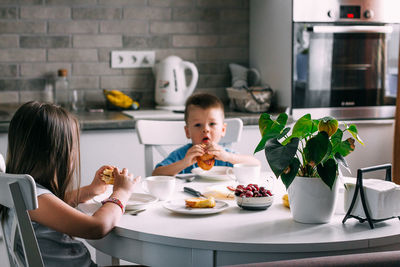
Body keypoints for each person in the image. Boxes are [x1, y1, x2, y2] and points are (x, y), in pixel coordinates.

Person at [0, 101, 140, 267]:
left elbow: (52, 206)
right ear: (55, 154)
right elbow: (97, 227)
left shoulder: (20, 191)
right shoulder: (32, 197)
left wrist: (90, 190)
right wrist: (122, 192)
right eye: (72, 147)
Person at [152, 93, 260, 176]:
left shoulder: (223, 155)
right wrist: (184, 163)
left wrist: (229, 157)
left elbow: (256, 164)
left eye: (212, 124)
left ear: (223, 129)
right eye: (198, 125)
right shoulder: (183, 155)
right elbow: (156, 174)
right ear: (187, 132)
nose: (206, 130)